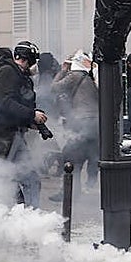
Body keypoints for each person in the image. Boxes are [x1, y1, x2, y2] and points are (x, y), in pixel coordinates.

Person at [0, 41, 50, 207]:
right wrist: (31, 115)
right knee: (0, 180)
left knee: (29, 179)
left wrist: (30, 122)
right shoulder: (8, 72)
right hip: (2, 136)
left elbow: (14, 105)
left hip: (13, 134)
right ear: (27, 59)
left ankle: (29, 217)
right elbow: (6, 102)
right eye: (33, 61)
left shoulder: (16, 74)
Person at [50, 50, 98, 197]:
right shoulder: (90, 76)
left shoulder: (75, 75)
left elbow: (54, 88)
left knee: (69, 155)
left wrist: (62, 71)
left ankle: (68, 193)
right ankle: (75, 191)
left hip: (82, 123)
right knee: (83, 156)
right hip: (95, 124)